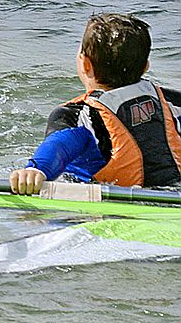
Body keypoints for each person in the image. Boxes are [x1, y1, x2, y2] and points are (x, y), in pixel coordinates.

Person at [11, 14, 181, 194]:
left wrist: (36, 169)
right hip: (172, 196)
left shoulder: (79, 115)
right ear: (146, 66)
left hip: (111, 204)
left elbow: (60, 145)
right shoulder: (172, 102)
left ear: (85, 64)